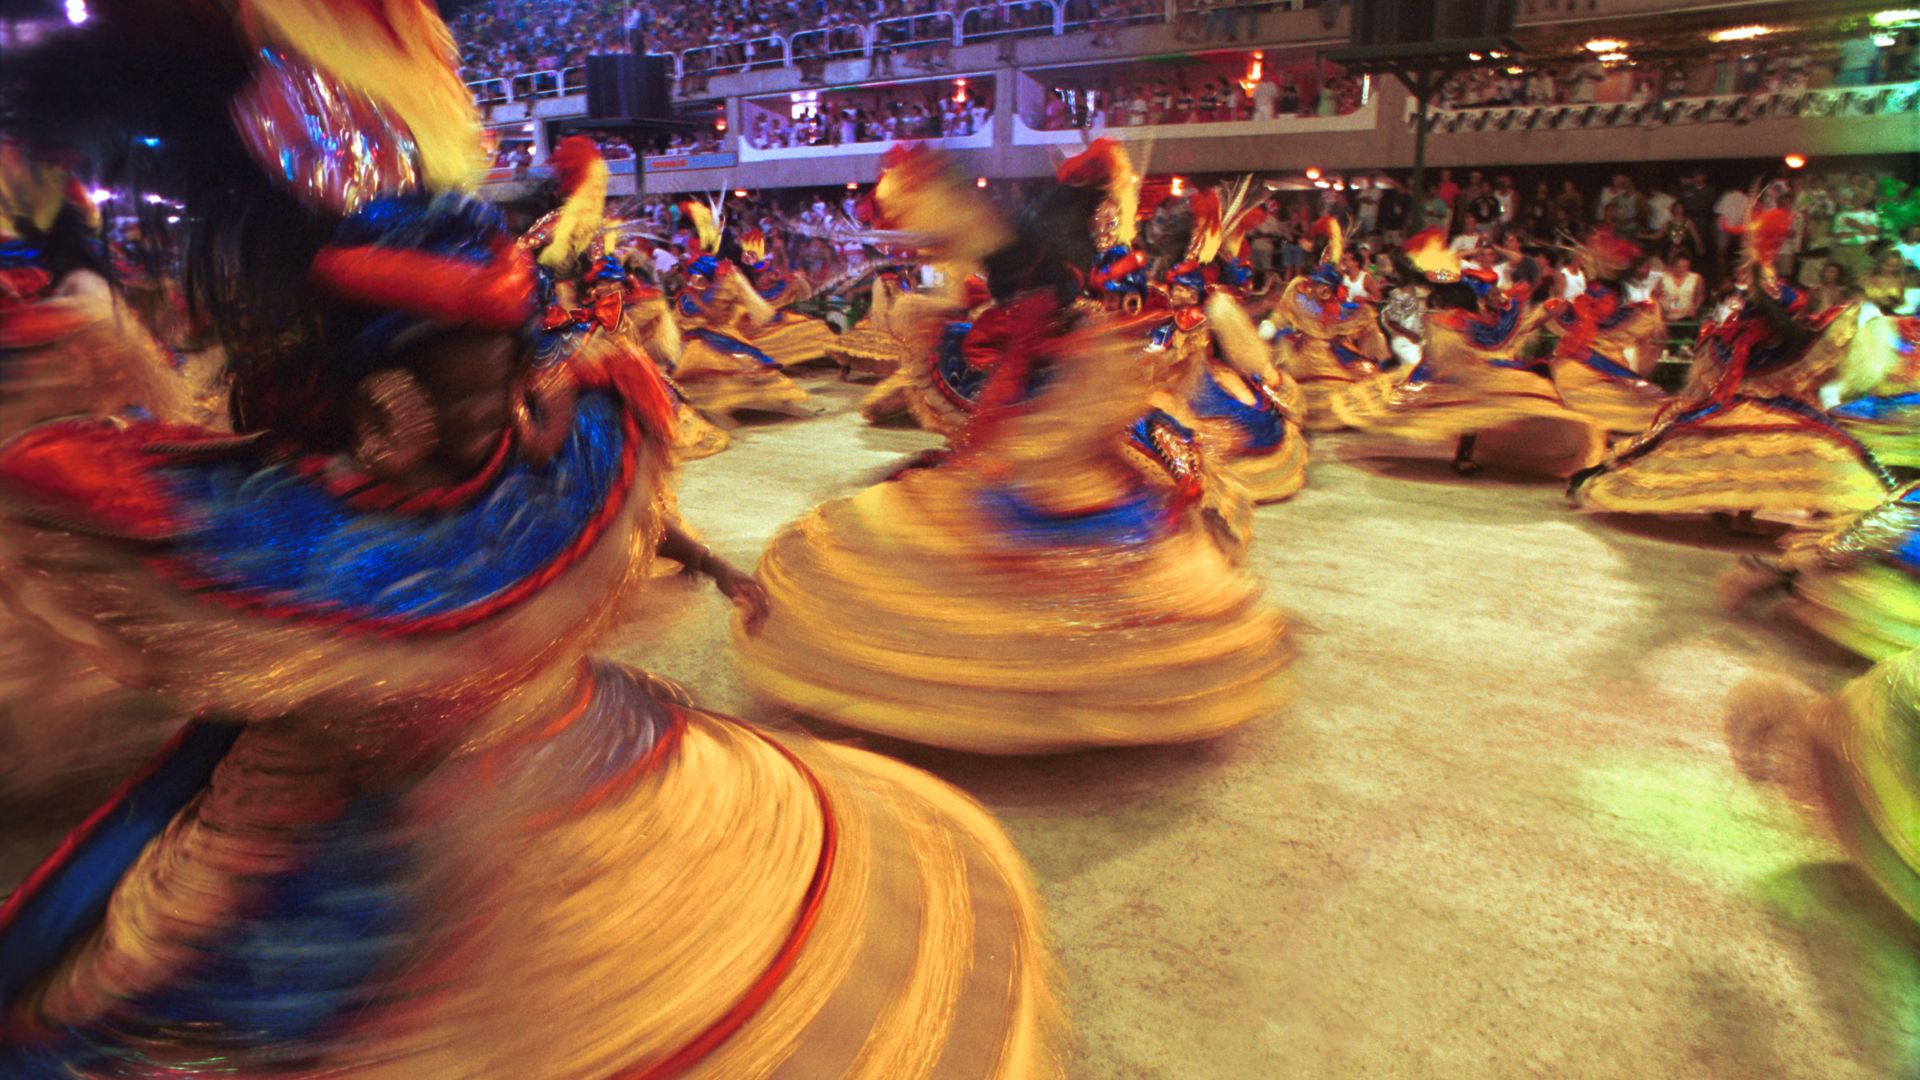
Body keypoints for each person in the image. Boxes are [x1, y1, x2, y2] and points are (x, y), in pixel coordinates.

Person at [0, 6, 1056, 1075]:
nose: (483, 409)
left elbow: (576, 429)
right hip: (358, 830)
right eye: (454, 385)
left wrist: (707, 555)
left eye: (495, 374)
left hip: (528, 778)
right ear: (384, 396)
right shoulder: (333, 532)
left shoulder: (545, 466)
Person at [733, 147, 1292, 753]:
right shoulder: (1043, 333)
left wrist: (1008, 458)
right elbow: (1017, 409)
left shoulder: (1082, 348)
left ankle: (1058, 679)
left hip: (1064, 473)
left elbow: (1067, 428)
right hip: (1044, 446)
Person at [1571, 210, 1895, 523]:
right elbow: (1777, 323)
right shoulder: (1763, 287)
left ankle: (1743, 513)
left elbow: (1783, 325)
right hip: (1752, 381)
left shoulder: (1767, 283)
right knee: (1766, 444)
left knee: (1790, 444)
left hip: (1760, 374)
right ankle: (1738, 513)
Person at [1332, 229, 1605, 478]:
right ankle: (1461, 454)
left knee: (1482, 397)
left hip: (1466, 349)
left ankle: (1464, 454)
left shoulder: (1481, 288)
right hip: (1454, 348)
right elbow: (1441, 282)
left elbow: (1499, 318)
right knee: (1456, 395)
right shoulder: (1460, 283)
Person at [1656, 255, 1704, 323]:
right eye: (1678, 266)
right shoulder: (1663, 277)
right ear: (1673, 266)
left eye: (1684, 267)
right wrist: (1659, 310)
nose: (1681, 269)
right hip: (1666, 316)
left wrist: (1695, 308)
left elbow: (1700, 296)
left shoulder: (1696, 278)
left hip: (1687, 317)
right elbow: (1655, 295)